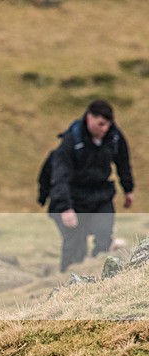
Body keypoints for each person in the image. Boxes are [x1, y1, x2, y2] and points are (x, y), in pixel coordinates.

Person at [48, 99, 135, 272]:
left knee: (104, 236)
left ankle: (98, 275)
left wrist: (128, 189)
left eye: (108, 124)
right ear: (89, 118)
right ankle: (67, 280)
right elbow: (60, 176)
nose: (105, 129)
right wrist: (65, 207)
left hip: (102, 196)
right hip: (75, 198)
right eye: (101, 124)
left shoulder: (114, 137)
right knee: (75, 245)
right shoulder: (72, 140)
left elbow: (123, 163)